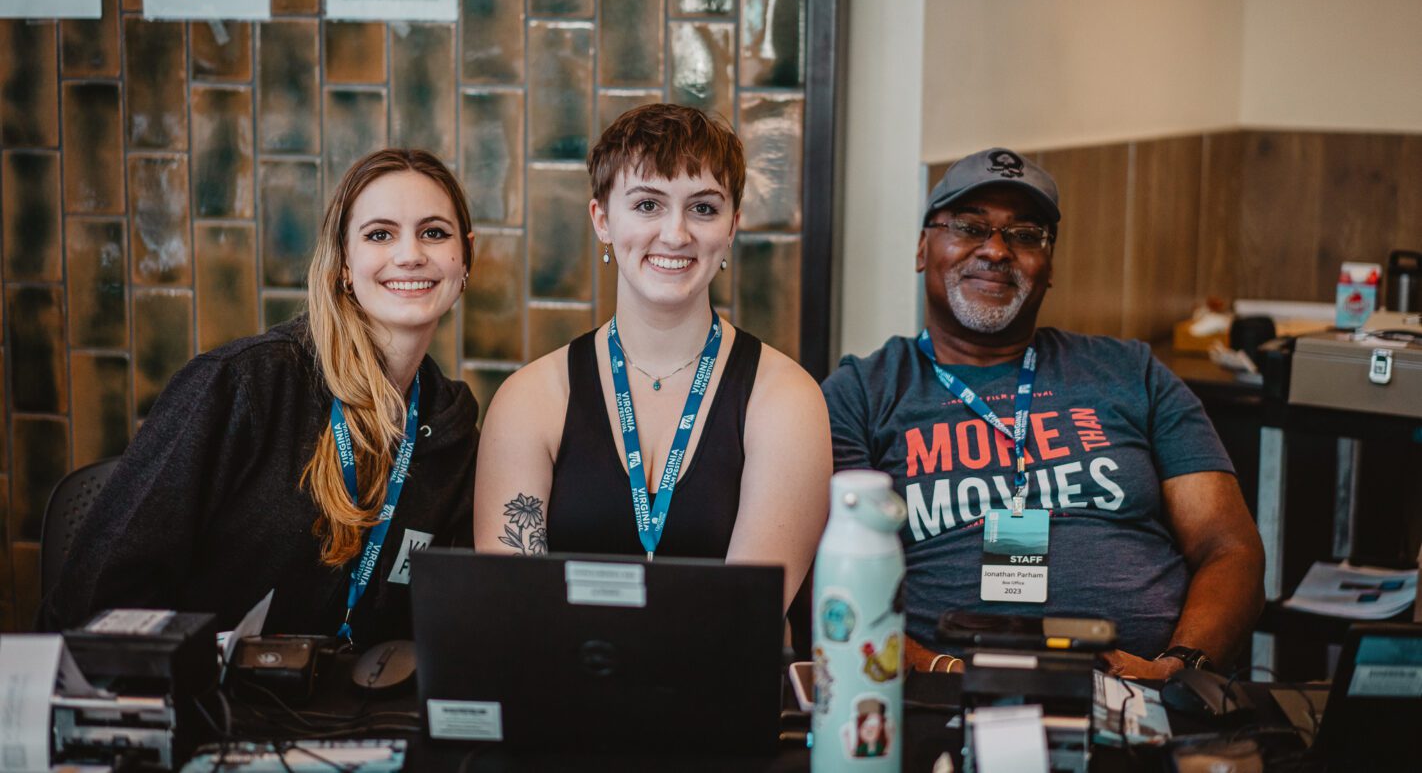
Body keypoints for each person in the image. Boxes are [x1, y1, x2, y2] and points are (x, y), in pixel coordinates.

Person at [821, 148, 1264, 677]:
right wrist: (941, 672)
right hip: (938, 696)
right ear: (922, 248)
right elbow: (831, 585)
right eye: (969, 226)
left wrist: (1177, 668)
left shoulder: (1132, 373)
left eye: (1025, 235)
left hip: (1141, 692)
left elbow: (1230, 549)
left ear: (1048, 266)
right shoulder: (860, 394)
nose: (996, 251)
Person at [40, 149, 479, 646]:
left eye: (434, 233)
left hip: (356, 713)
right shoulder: (241, 385)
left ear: (464, 257)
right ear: (342, 264)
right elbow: (94, 598)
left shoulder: (452, 434)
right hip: (208, 708)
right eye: (380, 234)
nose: (409, 255)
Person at [473, 104, 830, 610]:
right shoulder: (530, 400)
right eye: (647, 205)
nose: (676, 234)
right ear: (602, 219)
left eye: (704, 208)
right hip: (561, 687)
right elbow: (512, 611)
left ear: (732, 227)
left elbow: (746, 621)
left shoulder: (787, 400)